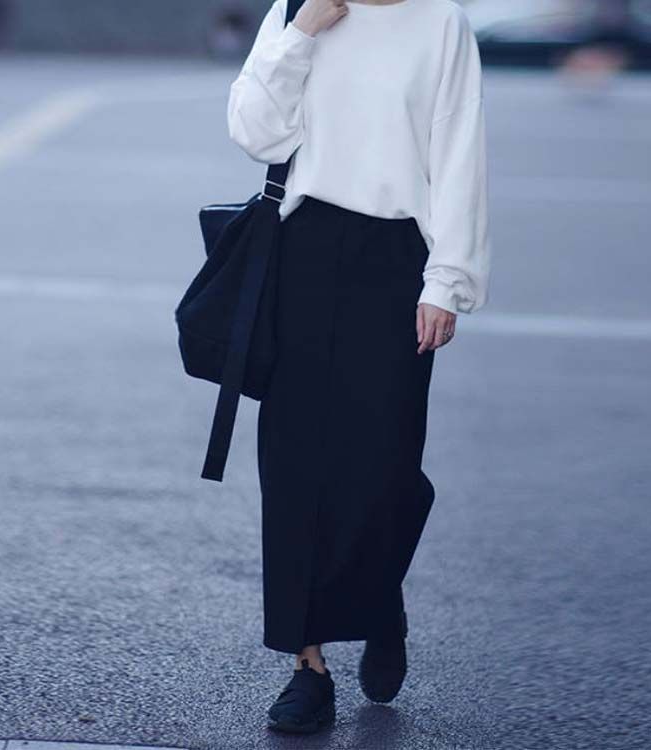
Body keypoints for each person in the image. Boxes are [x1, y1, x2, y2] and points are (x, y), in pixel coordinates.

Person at [226, 0, 491, 733]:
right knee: (297, 468)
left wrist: (447, 281)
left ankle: (380, 598)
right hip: (303, 253)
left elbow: (459, 151)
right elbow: (254, 131)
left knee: (386, 467)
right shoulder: (298, 9)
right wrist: (302, 33)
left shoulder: (440, 21)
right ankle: (308, 668)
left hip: (399, 260)